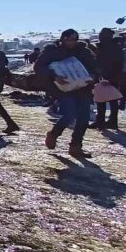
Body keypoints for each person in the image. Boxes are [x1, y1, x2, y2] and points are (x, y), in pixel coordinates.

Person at [34, 29, 97, 158]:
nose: (71, 42)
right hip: (62, 88)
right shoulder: (52, 51)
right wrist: (54, 76)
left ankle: (76, 146)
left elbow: (95, 67)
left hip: (83, 87)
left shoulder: (84, 51)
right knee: (69, 114)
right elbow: (39, 67)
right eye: (68, 39)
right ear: (62, 39)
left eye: (74, 40)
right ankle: (54, 134)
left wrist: (93, 76)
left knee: (83, 118)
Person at [91, 28, 124, 130]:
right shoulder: (115, 47)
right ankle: (109, 121)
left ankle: (103, 121)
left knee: (103, 99)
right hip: (111, 76)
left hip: (106, 76)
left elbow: (106, 63)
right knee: (110, 99)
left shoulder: (108, 47)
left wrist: (104, 76)